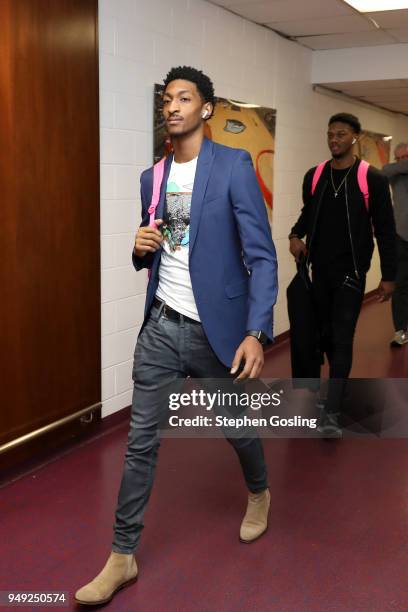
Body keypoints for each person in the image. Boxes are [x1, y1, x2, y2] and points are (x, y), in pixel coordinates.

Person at [75, 66, 278, 606]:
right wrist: (141, 246)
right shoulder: (153, 177)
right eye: (167, 99)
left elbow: (261, 256)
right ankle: (123, 555)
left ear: (206, 108)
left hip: (219, 334)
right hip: (162, 327)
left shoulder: (234, 167)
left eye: (184, 98)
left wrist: (257, 331)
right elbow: (162, 248)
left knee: (235, 427)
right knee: (141, 443)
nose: (172, 106)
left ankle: (259, 493)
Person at [288, 113, 396, 437]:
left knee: (342, 336)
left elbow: (386, 232)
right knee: (322, 337)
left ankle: (332, 411)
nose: (335, 140)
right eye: (330, 135)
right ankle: (337, 388)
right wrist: (295, 235)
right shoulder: (315, 175)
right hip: (318, 271)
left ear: (355, 138)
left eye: (341, 135)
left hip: (351, 273)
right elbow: (308, 213)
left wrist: (389, 276)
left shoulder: (371, 180)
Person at [381, 142, 408, 346]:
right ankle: (400, 331)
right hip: (401, 238)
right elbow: (383, 171)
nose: (400, 163)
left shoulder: (395, 172)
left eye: (404, 157)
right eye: (397, 158)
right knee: (400, 287)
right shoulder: (394, 175)